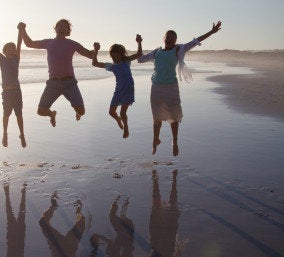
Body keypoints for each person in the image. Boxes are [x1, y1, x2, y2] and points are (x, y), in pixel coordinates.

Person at [138, 22, 222, 156]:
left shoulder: (179, 49)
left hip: (171, 87)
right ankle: (155, 139)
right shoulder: (156, 52)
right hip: (156, 88)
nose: (169, 38)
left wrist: (211, 32)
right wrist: (139, 43)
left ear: (175, 40)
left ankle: (174, 141)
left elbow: (196, 41)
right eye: (167, 36)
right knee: (156, 117)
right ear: (163, 38)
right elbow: (140, 59)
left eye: (172, 37)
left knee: (174, 115)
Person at [17, 20, 97, 127]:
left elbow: (90, 55)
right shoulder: (48, 42)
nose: (62, 28)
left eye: (65, 27)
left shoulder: (72, 44)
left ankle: (78, 112)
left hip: (70, 83)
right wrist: (22, 30)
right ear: (55, 28)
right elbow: (29, 43)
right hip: (53, 84)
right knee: (41, 111)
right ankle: (52, 114)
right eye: (60, 26)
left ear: (68, 31)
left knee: (82, 111)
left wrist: (96, 50)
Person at [92, 35, 143, 138]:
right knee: (111, 112)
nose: (114, 58)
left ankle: (126, 128)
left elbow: (139, 54)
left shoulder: (126, 61)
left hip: (128, 89)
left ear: (121, 54)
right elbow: (95, 63)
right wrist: (96, 50)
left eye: (116, 56)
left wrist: (139, 42)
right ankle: (118, 119)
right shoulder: (112, 66)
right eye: (112, 56)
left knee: (123, 112)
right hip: (119, 90)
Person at [0, 26, 26, 148]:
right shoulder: (2, 59)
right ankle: (5, 134)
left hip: (17, 91)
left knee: (19, 114)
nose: (13, 49)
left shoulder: (16, 59)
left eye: (14, 48)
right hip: (6, 92)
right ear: (5, 51)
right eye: (9, 48)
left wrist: (20, 31)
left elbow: (19, 43)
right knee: (6, 114)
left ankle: (22, 134)